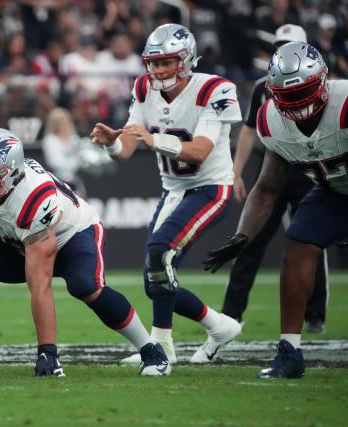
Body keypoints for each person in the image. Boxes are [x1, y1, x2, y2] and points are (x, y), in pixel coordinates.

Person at [0, 128, 170, 377]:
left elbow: (40, 285)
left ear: (10, 173)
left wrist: (48, 352)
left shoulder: (34, 199)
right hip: (20, 241)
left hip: (73, 235)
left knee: (85, 286)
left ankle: (152, 350)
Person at [91, 23, 242, 366]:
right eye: (154, 63)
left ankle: (165, 346)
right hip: (173, 189)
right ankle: (218, 327)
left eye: (166, 63)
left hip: (210, 188)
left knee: (160, 255)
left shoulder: (213, 90)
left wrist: (153, 140)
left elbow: (200, 151)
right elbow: (128, 145)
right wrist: (112, 143)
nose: (158, 70)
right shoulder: (144, 87)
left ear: (186, 60)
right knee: (153, 277)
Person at [204, 42, 348, 379]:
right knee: (297, 242)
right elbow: (267, 188)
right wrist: (243, 235)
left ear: (324, 81)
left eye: (304, 93)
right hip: (333, 191)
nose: (297, 104)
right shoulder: (271, 119)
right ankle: (290, 350)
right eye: (288, 96)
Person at [222, 24, 328, 333]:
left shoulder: (327, 87)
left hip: (309, 167)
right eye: (281, 45)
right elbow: (248, 129)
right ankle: (231, 314)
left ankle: (316, 314)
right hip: (272, 166)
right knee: (248, 241)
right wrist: (237, 170)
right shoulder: (262, 86)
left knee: (310, 243)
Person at [42, 107, 84, 194]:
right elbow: (55, 162)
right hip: (58, 181)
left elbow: (81, 158)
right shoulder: (50, 140)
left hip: (76, 180)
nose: (61, 125)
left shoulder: (74, 139)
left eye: (63, 121)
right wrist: (74, 163)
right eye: (58, 122)